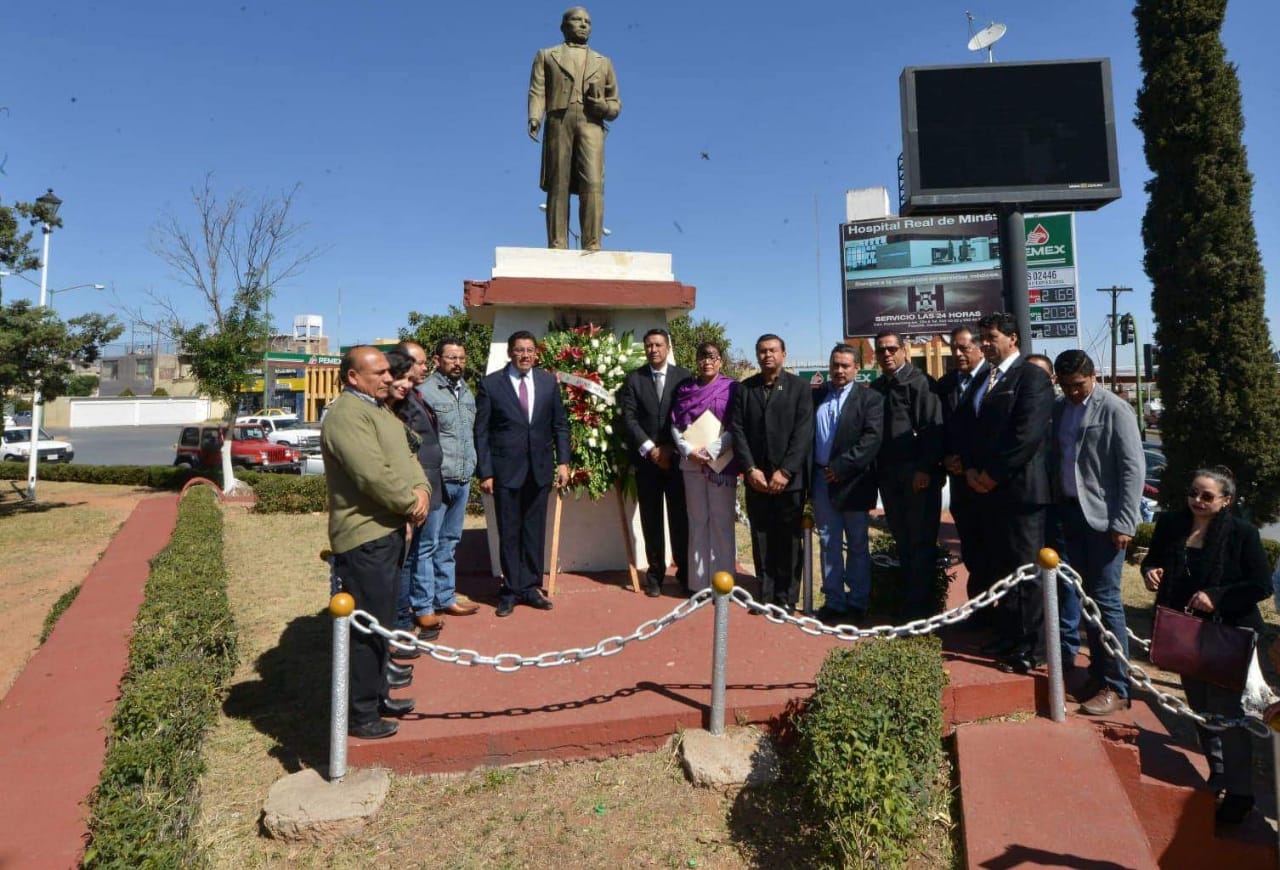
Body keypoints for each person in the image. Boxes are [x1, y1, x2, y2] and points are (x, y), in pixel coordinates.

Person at [1142, 467, 1270, 825]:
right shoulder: (1170, 524)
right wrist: (1150, 572)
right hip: (1184, 633)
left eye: (1207, 496)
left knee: (1228, 715)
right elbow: (1155, 560)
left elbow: (1261, 585)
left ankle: (1240, 793)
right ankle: (1217, 775)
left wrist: (1217, 597)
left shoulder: (1242, 534)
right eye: (1194, 493)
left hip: (1229, 635)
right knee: (1200, 707)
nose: (1197, 501)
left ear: (1226, 501)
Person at [322, 347, 430, 739]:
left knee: (382, 625)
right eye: (380, 372)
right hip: (365, 536)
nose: (390, 378)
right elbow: (371, 474)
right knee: (367, 632)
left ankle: (378, 695)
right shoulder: (347, 415)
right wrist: (410, 504)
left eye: (389, 371)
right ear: (353, 377)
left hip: (387, 532)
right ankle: (361, 715)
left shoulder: (378, 408)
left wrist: (421, 488)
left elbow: (406, 456)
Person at [955, 312, 1055, 674]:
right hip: (986, 492)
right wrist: (969, 469)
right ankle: (1010, 634)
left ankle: (1034, 646)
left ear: (1013, 338)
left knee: (1027, 574)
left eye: (991, 336)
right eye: (982, 337)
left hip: (1022, 494)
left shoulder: (1031, 377)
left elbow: (1026, 434)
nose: (985, 343)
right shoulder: (984, 378)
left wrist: (993, 474)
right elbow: (968, 429)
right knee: (1001, 569)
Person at [1051, 350, 1144, 715]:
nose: (1074, 392)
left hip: (1105, 522)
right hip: (1070, 515)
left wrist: (1125, 522)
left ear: (1093, 376)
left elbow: (1131, 470)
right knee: (1085, 600)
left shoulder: (1115, 409)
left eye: (1080, 385)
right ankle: (1098, 672)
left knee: (1105, 601)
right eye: (1067, 385)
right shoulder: (1060, 409)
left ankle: (1118, 686)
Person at [475, 330, 571, 617]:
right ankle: (511, 589)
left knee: (534, 529)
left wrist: (563, 462)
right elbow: (482, 432)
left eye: (530, 350)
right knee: (509, 530)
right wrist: (486, 472)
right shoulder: (491, 385)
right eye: (519, 350)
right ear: (510, 353)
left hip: (540, 470)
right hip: (506, 472)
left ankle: (530, 587)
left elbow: (560, 425)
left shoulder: (547, 382)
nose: (525, 355)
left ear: (536, 353)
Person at [731, 334, 814, 613]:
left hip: (788, 481)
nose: (768, 355)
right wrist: (751, 469)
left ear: (784, 354)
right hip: (757, 480)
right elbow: (738, 431)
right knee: (761, 537)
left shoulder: (800, 389)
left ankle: (787, 598)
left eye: (773, 350)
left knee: (789, 540)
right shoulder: (745, 389)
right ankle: (765, 595)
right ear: (757, 356)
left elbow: (803, 433)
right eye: (762, 351)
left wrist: (786, 471)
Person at [528, 6, 620, 251]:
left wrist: (603, 106)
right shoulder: (547, 55)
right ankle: (557, 243)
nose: (583, 25)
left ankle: (592, 242)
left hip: (592, 124)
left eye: (587, 22)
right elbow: (538, 91)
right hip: (559, 120)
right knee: (559, 182)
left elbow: (615, 105)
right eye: (576, 20)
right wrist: (535, 117)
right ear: (563, 26)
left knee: (593, 182)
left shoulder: (604, 62)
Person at [870, 331, 944, 620]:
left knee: (921, 543)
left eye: (891, 349)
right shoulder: (877, 388)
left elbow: (933, 429)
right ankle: (908, 605)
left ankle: (921, 611)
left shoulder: (922, 383)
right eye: (881, 350)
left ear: (904, 351)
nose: (886, 354)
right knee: (903, 542)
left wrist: (925, 469)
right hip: (890, 478)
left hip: (918, 478)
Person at [812, 344, 883, 624]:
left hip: (854, 481)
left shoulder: (870, 399)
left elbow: (872, 439)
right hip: (820, 480)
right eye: (835, 365)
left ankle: (857, 602)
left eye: (845, 366)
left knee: (856, 543)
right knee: (828, 542)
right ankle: (834, 600)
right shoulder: (817, 396)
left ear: (856, 369)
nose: (839, 370)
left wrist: (841, 468)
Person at [619, 328, 692, 597]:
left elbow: (690, 416)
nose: (653, 350)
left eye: (658, 345)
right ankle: (655, 575)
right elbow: (629, 418)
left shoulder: (684, 377)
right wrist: (651, 449)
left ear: (668, 347)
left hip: (677, 461)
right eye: (649, 345)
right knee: (651, 520)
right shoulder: (634, 379)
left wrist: (671, 448)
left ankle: (684, 573)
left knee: (680, 519)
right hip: (648, 463)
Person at [384, 349, 451, 638]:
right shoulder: (393, 404)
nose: (423, 367)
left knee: (417, 554)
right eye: (419, 362)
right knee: (408, 557)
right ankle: (403, 621)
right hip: (411, 493)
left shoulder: (412, 395)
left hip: (426, 488)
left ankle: (409, 616)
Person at [416, 338, 481, 619]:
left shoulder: (466, 393)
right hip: (436, 481)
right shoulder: (424, 393)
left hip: (462, 478)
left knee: (450, 541)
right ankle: (423, 605)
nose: (458, 363)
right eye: (452, 358)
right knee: (427, 545)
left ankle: (445, 596)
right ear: (437, 360)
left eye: (462, 358)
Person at [671, 341, 739, 593]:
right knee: (697, 522)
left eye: (712, 357)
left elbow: (736, 425)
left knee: (721, 524)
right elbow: (675, 424)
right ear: (696, 360)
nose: (707, 361)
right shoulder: (685, 389)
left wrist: (713, 450)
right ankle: (698, 583)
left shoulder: (732, 388)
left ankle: (724, 583)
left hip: (722, 464)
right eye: (702, 356)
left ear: (720, 360)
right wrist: (688, 450)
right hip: (691, 464)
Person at [938, 325, 988, 596]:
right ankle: (978, 607)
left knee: (994, 548)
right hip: (958, 480)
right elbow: (939, 428)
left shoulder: (993, 379)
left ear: (980, 348)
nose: (958, 353)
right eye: (954, 348)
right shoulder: (945, 385)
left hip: (988, 480)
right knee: (970, 546)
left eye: (964, 348)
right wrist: (947, 458)